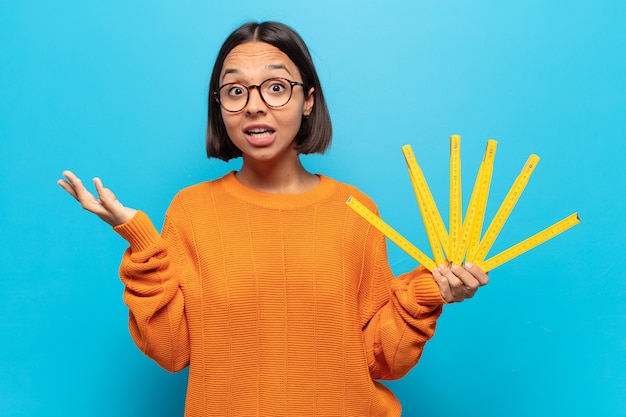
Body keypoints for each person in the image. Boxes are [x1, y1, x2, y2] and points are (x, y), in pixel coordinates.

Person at [58, 21, 488, 417]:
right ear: (220, 106)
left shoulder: (356, 210)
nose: (254, 106)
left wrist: (428, 293)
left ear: (308, 101)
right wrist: (143, 244)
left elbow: (379, 359)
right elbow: (171, 351)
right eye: (235, 91)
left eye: (277, 87)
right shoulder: (191, 211)